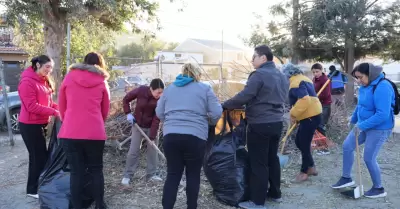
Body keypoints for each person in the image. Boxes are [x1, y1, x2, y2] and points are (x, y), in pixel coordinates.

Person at [222, 45, 289, 209]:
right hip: (277, 123)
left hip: (259, 123)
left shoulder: (259, 75)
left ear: (263, 58)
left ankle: (257, 201)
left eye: (254, 57)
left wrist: (225, 105)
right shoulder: (282, 76)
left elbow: (245, 95)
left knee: (258, 162)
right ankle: (275, 193)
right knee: (272, 159)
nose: (252, 60)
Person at [156, 63, 222, 209]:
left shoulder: (170, 89)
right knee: (193, 174)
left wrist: (172, 121)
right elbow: (217, 112)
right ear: (197, 74)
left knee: (173, 174)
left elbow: (159, 112)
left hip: (171, 137)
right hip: (195, 136)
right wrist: (207, 121)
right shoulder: (205, 89)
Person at [331, 63, 394, 198]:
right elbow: (360, 106)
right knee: (347, 146)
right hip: (363, 125)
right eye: (356, 78)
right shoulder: (364, 86)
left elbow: (382, 114)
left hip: (379, 128)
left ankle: (379, 188)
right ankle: (346, 178)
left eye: (360, 77)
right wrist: (353, 120)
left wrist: (362, 125)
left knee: (369, 158)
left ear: (370, 74)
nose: (358, 81)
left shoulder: (383, 87)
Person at [58, 52, 110, 209]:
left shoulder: (69, 77)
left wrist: (67, 120)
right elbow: (105, 110)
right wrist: (96, 122)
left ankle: (77, 206)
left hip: (70, 132)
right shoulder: (102, 81)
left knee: (76, 172)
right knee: (96, 170)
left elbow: (62, 104)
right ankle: (100, 205)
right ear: (99, 64)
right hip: (94, 132)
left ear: (84, 62)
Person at [18, 55, 59, 199]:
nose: (49, 70)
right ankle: (33, 190)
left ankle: (36, 187)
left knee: (38, 157)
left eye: (51, 67)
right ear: (37, 65)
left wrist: (60, 108)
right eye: (47, 67)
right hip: (29, 125)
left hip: (41, 124)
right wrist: (54, 112)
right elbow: (31, 106)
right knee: (38, 157)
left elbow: (48, 103)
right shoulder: (27, 82)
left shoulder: (44, 81)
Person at [282, 64, 322, 183]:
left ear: (287, 74)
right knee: (299, 141)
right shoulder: (304, 79)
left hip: (310, 116)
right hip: (312, 115)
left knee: (303, 143)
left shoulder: (295, 83)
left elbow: (305, 100)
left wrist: (293, 113)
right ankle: (311, 166)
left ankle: (304, 172)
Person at [121, 78, 165, 185]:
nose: (159, 95)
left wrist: (152, 137)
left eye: (161, 92)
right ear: (151, 89)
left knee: (152, 151)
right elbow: (126, 99)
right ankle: (128, 175)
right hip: (137, 125)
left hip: (152, 127)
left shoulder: (160, 100)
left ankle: (151, 174)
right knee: (134, 150)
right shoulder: (141, 90)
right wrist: (128, 113)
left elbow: (156, 119)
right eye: (158, 92)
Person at [311, 63, 332, 136]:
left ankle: (324, 142)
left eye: (317, 71)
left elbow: (325, 94)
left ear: (321, 71)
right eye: (313, 72)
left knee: (321, 124)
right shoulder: (314, 79)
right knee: (316, 123)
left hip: (325, 105)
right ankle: (318, 142)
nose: (315, 74)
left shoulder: (325, 80)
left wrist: (315, 97)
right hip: (317, 104)